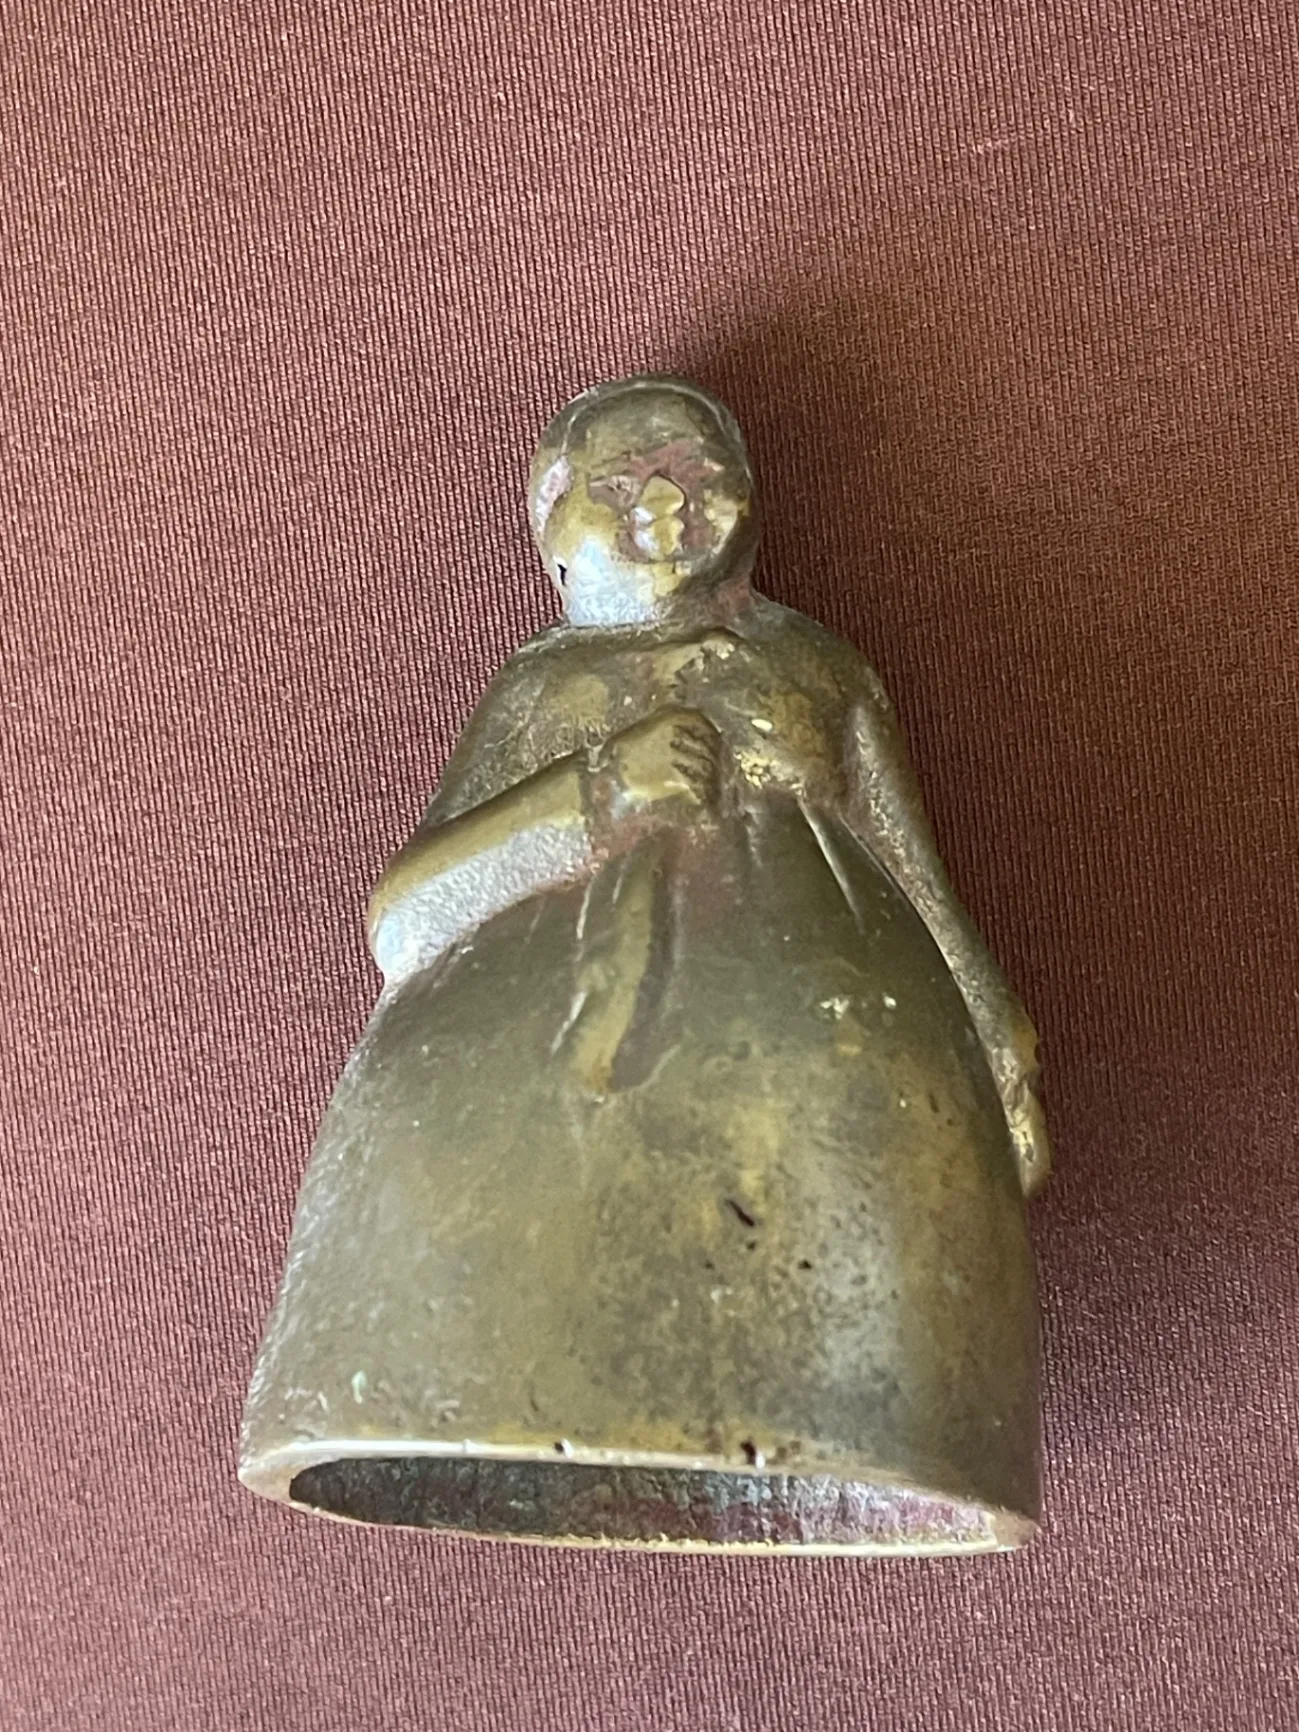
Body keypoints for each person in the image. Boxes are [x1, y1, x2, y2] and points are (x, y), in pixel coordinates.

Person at [241, 375, 1049, 1554]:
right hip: (536, 1096)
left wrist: (992, 1034)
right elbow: (407, 921)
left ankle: (842, 1412)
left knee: (842, 1296)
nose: (664, 502)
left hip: (822, 1100)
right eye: (624, 480)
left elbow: (914, 870)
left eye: (691, 471)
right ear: (551, 521)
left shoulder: (814, 671)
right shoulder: (547, 688)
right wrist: (596, 790)